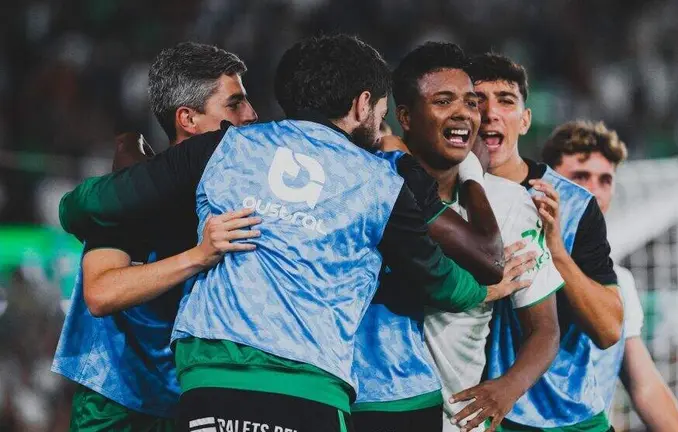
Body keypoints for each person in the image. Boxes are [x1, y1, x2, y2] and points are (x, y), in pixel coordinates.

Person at [57, 35, 523, 432]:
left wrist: (116, 177)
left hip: (207, 381)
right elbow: (438, 277)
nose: (379, 126)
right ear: (363, 105)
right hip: (306, 385)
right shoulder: (382, 180)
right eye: (378, 112)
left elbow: (83, 205)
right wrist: (479, 291)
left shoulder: (225, 149)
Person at [52, 42, 259, 431]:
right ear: (188, 119)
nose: (252, 116)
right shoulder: (133, 195)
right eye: (234, 104)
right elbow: (101, 293)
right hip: (121, 404)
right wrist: (199, 255)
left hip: (195, 396)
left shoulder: (238, 190)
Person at [352, 42, 554, 432]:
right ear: (406, 116)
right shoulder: (370, 185)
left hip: (460, 419)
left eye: (470, 102)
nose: (463, 113)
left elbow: (545, 328)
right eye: (443, 101)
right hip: (370, 410)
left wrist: (506, 389)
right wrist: (484, 290)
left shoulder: (510, 203)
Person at [467, 53, 621, 431]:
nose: (491, 112)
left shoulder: (572, 203)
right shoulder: (441, 196)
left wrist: (557, 253)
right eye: (477, 101)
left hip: (568, 415)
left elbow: (608, 331)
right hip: (481, 411)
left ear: (525, 119)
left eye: (505, 100)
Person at [544, 120, 678, 431]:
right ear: (547, 183)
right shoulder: (521, 262)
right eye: (580, 177)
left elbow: (645, 385)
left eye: (604, 179)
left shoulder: (620, 282)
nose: (593, 190)